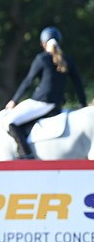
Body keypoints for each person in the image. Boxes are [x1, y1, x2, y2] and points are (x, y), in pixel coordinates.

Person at [5, 26, 88, 158]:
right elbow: (78, 84)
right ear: (59, 42)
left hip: (42, 103)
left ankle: (26, 154)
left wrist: (14, 100)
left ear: (43, 44)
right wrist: (82, 104)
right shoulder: (68, 60)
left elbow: (28, 81)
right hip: (58, 104)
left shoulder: (41, 58)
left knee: (10, 122)